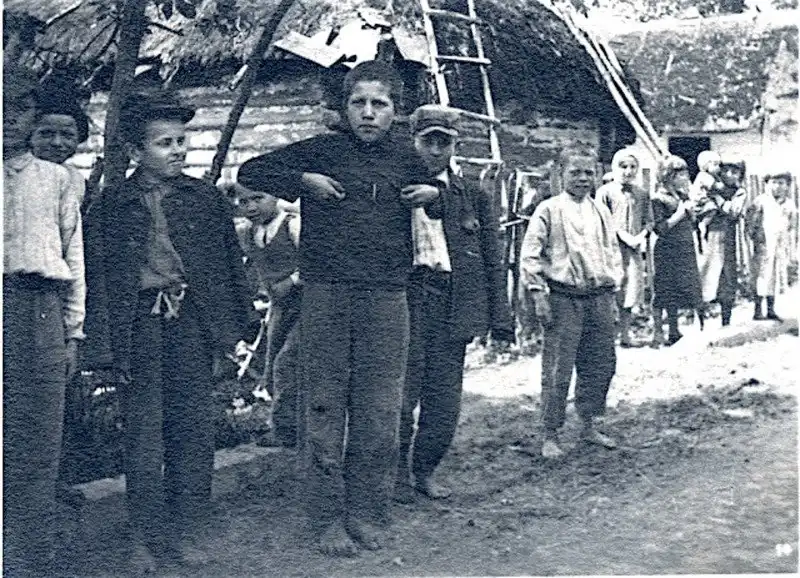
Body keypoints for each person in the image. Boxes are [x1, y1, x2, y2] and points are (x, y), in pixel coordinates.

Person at [237, 61, 440, 556]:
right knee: (324, 407)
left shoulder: (407, 157)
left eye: (379, 104)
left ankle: (367, 513)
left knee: (379, 411)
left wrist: (435, 193)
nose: (368, 113)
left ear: (395, 111)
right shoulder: (321, 151)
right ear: (344, 108)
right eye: (358, 103)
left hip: (387, 298)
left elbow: (445, 201)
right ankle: (325, 518)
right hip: (327, 297)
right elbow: (251, 172)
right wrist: (303, 179)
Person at [95, 89, 252, 572]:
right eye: (165, 143)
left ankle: (188, 529)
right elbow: (101, 278)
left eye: (182, 141)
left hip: (191, 325)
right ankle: (144, 536)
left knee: (193, 430)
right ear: (136, 151)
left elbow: (229, 265)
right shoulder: (113, 204)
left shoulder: (203, 198)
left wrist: (232, 331)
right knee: (144, 435)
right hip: (139, 328)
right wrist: (105, 349)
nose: (178, 151)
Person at [395, 105, 514, 503]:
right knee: (400, 396)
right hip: (407, 301)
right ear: (414, 142)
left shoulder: (472, 195)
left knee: (444, 402)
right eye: (427, 141)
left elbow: (492, 258)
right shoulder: (394, 187)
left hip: (452, 303)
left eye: (443, 143)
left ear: (454, 147)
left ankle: (424, 470)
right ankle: (395, 474)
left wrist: (500, 319)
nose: (434, 150)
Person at [3, 65, 86, 577]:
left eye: (20, 109)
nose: (8, 118)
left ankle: (28, 556)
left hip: (39, 308)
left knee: (37, 434)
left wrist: (73, 330)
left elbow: (72, 255)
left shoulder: (56, 180)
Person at [520, 146, 623, 460]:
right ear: (560, 174)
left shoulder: (601, 211)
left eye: (588, 172)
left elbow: (611, 254)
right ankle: (550, 433)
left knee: (600, 363)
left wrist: (612, 295)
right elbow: (530, 256)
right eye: (575, 172)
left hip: (598, 298)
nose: (582, 178)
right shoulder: (549, 210)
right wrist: (538, 294)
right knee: (558, 368)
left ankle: (588, 424)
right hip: (563, 299)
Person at [235, 183, 302, 447]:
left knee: (287, 362)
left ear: (275, 196)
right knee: (271, 363)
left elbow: (318, 261)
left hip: (307, 306)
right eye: (244, 202)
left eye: (258, 198)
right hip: (279, 307)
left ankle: (287, 429)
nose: (251, 207)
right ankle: (286, 423)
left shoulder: (292, 225)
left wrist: (292, 281)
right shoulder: (248, 232)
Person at [595, 148, 652, 346]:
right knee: (611, 289)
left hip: (633, 250)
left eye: (632, 167)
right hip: (611, 249)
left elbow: (649, 220)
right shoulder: (605, 192)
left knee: (630, 291)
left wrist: (640, 236)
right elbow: (602, 220)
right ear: (615, 167)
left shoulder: (641, 194)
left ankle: (626, 335)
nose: (628, 171)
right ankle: (607, 337)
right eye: (623, 166)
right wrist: (623, 235)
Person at [650, 155, 703, 346]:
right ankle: (662, 332)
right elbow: (660, 228)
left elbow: (692, 223)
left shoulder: (682, 196)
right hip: (667, 249)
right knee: (666, 289)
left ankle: (696, 328)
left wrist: (692, 212)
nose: (686, 178)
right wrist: (681, 213)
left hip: (685, 247)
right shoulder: (658, 199)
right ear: (668, 176)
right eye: (681, 174)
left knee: (691, 285)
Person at [696, 157, 748, 325]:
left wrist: (717, 199)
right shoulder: (709, 185)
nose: (729, 175)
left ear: (740, 175)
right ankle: (700, 321)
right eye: (725, 170)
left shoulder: (739, 192)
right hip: (708, 236)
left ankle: (726, 319)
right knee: (705, 273)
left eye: (734, 172)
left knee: (728, 276)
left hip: (729, 238)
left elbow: (733, 211)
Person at [745, 168, 796, 321]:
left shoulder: (789, 204)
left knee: (775, 277)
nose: (777, 187)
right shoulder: (761, 201)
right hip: (764, 245)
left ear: (787, 185)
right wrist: (755, 238)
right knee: (762, 276)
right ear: (767, 184)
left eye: (781, 183)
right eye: (773, 183)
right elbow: (751, 223)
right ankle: (757, 310)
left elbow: (791, 224)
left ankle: (770, 309)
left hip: (779, 245)